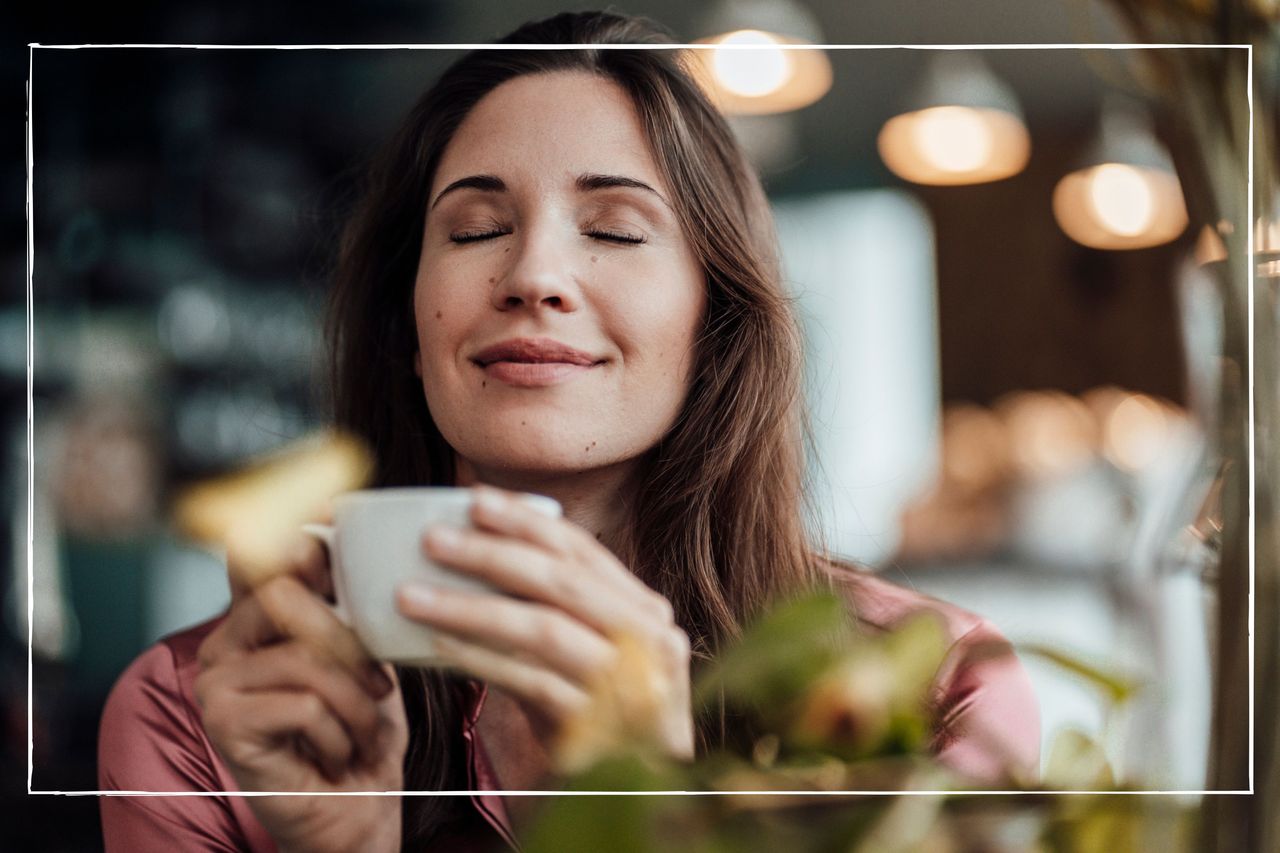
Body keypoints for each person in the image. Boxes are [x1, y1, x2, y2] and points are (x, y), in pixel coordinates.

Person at [97, 11, 1040, 852]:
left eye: (617, 230)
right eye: (472, 230)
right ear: (411, 331)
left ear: (712, 327)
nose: (534, 274)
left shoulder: (934, 690)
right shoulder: (196, 715)